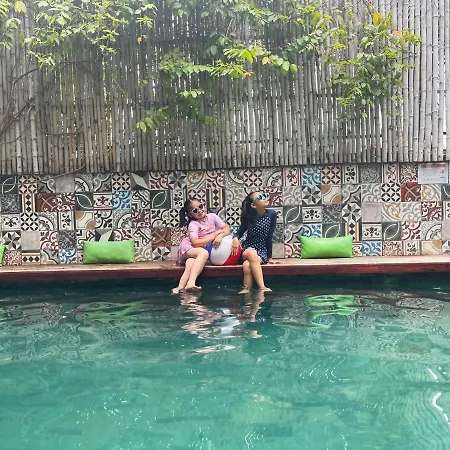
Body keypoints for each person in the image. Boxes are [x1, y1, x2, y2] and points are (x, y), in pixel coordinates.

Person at [172, 198, 230, 293]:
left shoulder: (212, 217)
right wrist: (214, 236)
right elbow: (195, 242)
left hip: (197, 250)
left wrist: (220, 235)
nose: (199, 210)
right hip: (189, 247)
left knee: (190, 263)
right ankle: (191, 282)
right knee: (204, 253)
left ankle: (179, 288)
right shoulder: (193, 224)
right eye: (195, 210)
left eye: (200, 206)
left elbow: (226, 228)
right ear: (190, 215)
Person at [231, 191, 279, 294]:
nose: (265, 197)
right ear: (253, 205)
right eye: (260, 197)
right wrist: (235, 239)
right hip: (247, 249)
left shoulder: (272, 214)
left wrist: (269, 258)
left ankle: (246, 290)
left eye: (264, 195)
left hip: (261, 250)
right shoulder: (249, 217)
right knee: (251, 253)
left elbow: (269, 236)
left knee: (247, 265)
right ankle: (262, 287)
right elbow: (239, 232)